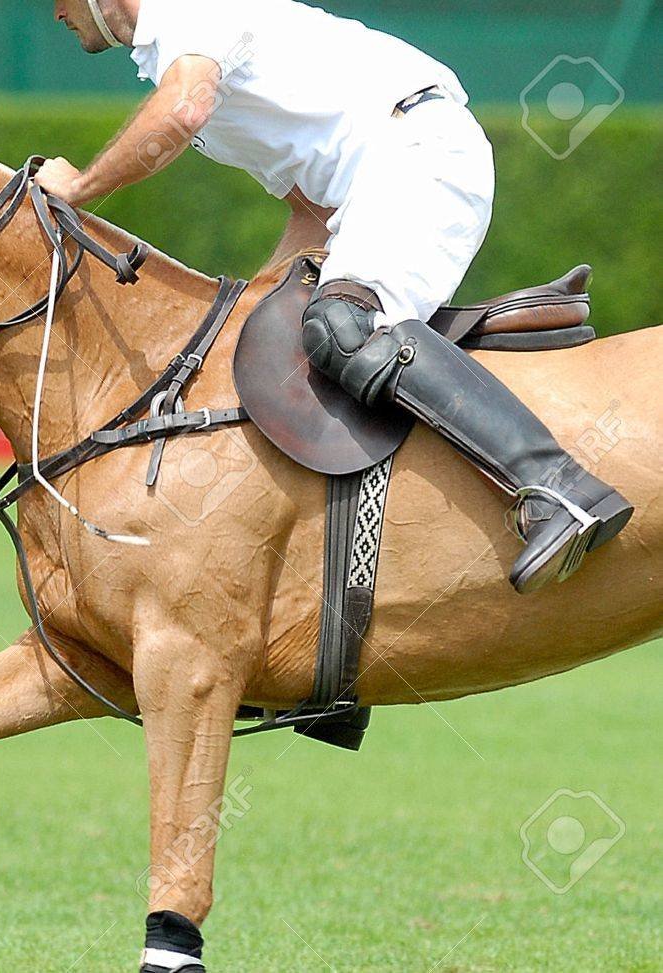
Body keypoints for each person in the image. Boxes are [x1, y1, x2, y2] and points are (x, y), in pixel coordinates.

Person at [38, 0, 631, 603]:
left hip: (417, 152)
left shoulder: (190, 13)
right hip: (382, 177)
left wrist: (81, 188)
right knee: (287, 337)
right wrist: (252, 305)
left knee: (342, 328)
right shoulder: (178, 53)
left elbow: (181, 110)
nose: (53, 13)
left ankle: (560, 488)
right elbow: (313, 211)